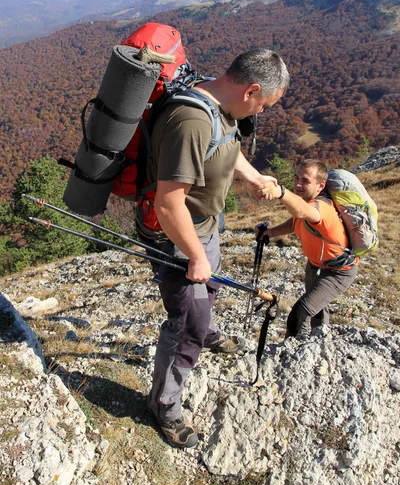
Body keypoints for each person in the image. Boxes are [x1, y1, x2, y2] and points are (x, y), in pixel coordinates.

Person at [139, 48, 290, 448]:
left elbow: (226, 146)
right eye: (265, 104)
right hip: (178, 238)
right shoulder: (191, 120)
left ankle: (204, 327)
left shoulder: (220, 104)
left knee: (209, 293)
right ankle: (163, 404)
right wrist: (196, 255)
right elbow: (169, 204)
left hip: (205, 228)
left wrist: (255, 177)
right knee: (186, 322)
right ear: (251, 90)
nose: (264, 111)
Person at [255, 159, 358, 340]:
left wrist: (281, 192)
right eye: (296, 178)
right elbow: (297, 222)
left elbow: (301, 213)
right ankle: (318, 343)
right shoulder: (308, 203)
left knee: (300, 312)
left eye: (305, 181)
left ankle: (293, 351)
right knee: (316, 309)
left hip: (338, 272)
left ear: (321, 185)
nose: (298, 184)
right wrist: (270, 233)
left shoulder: (322, 207)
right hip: (316, 266)